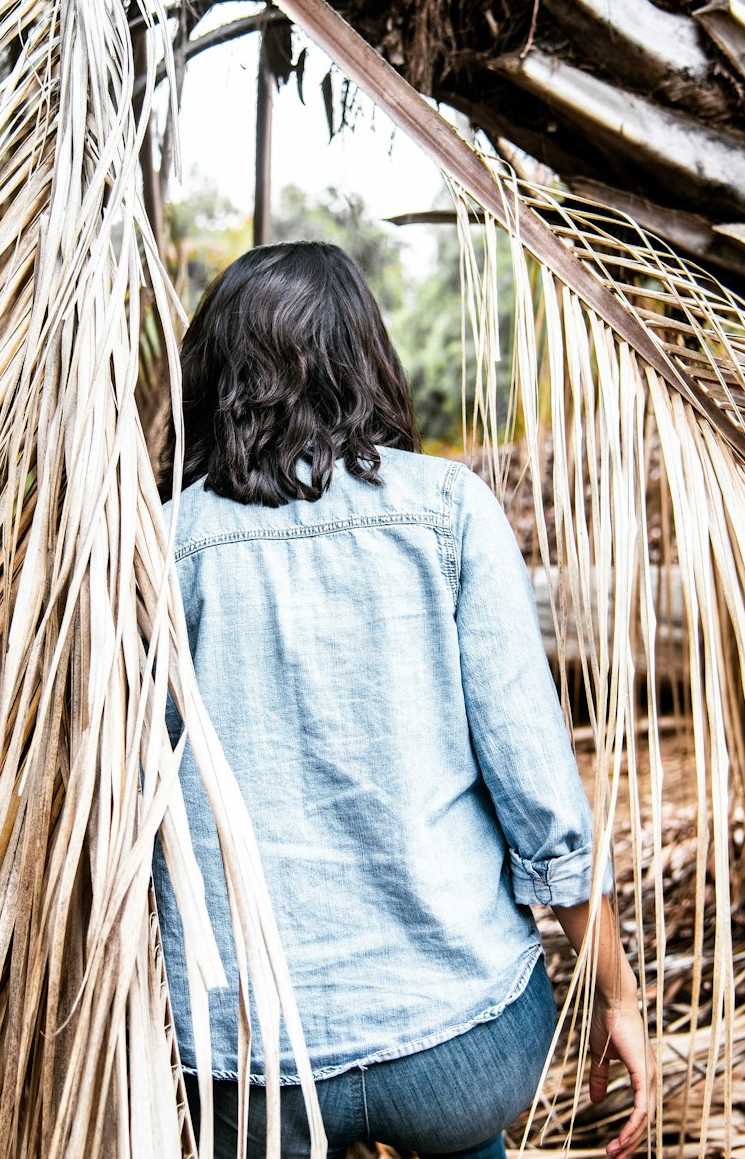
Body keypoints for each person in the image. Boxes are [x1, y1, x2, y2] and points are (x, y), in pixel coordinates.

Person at [152, 241, 656, 1159]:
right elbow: (540, 791)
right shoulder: (448, 510)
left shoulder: (155, 544)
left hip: (246, 1062)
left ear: (214, 374)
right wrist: (615, 996)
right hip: (460, 1041)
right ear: (366, 361)